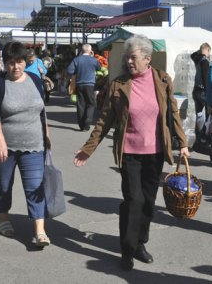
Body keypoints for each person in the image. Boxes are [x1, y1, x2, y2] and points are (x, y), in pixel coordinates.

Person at [73, 35, 189, 270]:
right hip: (130, 152)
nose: (129, 62)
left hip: (156, 152)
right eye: (127, 58)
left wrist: (183, 143)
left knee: (148, 202)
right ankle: (127, 249)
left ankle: (140, 244)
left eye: (133, 58)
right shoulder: (118, 84)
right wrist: (88, 149)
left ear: (148, 58)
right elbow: (104, 120)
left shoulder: (163, 80)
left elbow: (173, 114)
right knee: (133, 200)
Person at [0, 41, 52, 247]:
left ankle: (40, 230)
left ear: (25, 61)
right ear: (5, 62)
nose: (16, 67)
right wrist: (0, 141)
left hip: (34, 145)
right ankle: (3, 217)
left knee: (35, 187)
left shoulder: (35, 80)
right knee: (4, 185)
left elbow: (42, 110)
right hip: (6, 147)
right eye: (11, 62)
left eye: (20, 62)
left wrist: (47, 134)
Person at [66, 44, 101, 131]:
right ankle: (87, 122)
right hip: (90, 84)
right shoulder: (93, 60)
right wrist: (92, 57)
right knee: (91, 103)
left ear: (81, 51)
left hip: (79, 84)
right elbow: (99, 68)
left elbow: (69, 70)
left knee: (81, 104)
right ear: (90, 51)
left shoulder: (77, 60)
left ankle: (81, 125)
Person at [191, 42, 211, 115]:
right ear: (208, 50)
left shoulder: (197, 58)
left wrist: (200, 51)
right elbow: (205, 77)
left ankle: (198, 126)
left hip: (196, 89)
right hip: (202, 90)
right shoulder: (205, 61)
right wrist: (208, 91)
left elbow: (192, 55)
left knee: (198, 114)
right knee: (207, 114)